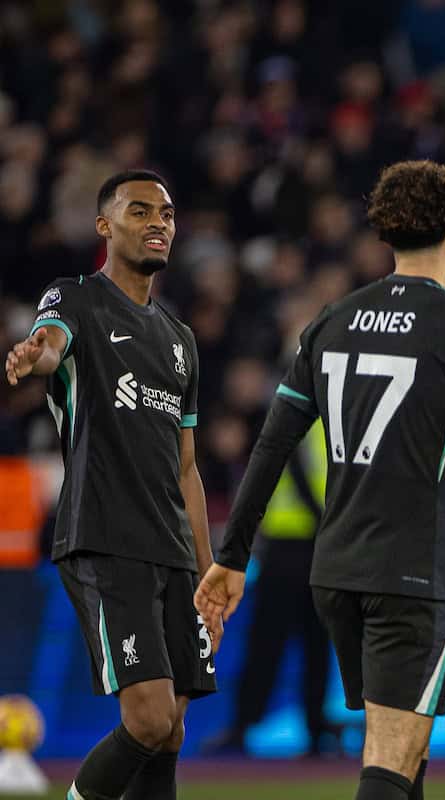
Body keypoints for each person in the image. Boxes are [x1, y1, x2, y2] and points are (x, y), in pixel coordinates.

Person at [194, 160, 445, 800]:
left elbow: (270, 444)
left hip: (336, 569)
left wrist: (233, 555)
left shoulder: (329, 321)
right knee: (388, 761)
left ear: (385, 233)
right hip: (411, 571)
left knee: (404, 756)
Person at [5, 170, 217, 800]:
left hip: (174, 549)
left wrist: (209, 573)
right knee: (148, 717)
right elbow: (51, 345)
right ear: (105, 225)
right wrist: (35, 353)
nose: (159, 222)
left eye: (169, 214)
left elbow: (187, 467)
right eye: (140, 210)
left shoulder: (180, 342)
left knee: (171, 730)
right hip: (104, 534)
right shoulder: (75, 299)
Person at [202, 421, 337, 757]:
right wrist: (330, 525)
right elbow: (299, 469)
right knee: (274, 644)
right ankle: (251, 726)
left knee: (311, 644)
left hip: (309, 546)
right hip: (290, 545)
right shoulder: (313, 413)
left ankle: (310, 727)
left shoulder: (323, 414)